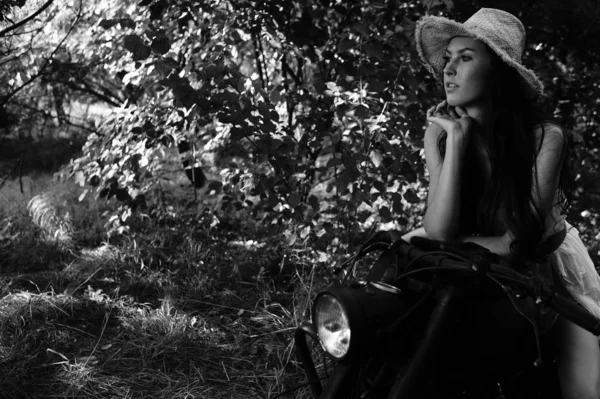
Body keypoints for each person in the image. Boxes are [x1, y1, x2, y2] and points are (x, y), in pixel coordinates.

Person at [404, 7, 600, 399]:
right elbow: (440, 228)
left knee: (583, 390)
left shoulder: (546, 138)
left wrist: (446, 249)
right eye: (448, 59)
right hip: (473, 265)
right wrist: (448, 143)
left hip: (544, 272)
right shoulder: (444, 137)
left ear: (497, 72)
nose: (449, 69)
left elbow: (517, 244)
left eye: (466, 57)